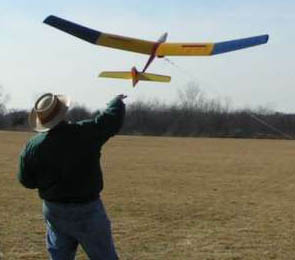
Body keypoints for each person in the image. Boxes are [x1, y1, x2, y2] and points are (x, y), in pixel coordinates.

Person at [17, 92, 126, 259]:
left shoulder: (32, 147)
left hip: (54, 210)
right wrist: (116, 102)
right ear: (62, 113)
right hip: (88, 210)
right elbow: (109, 121)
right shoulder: (84, 132)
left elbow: (26, 181)